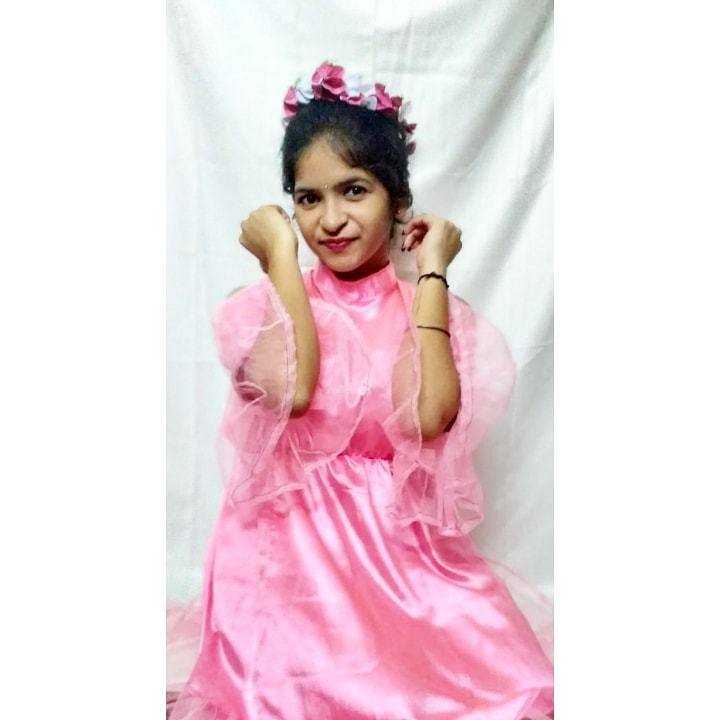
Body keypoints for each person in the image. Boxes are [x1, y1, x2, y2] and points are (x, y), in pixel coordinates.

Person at [167, 61, 554, 720]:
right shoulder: (260, 306)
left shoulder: (423, 307)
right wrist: (282, 260)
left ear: (397, 202)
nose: (331, 219)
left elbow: (429, 417)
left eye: (354, 190)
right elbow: (294, 391)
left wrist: (432, 271)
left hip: (397, 565)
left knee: (502, 690)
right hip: (285, 570)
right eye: (308, 199)